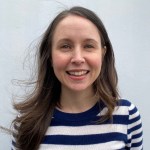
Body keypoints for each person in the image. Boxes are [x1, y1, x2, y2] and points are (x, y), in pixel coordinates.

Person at [11, 6, 143, 150]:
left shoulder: (127, 115)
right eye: (66, 46)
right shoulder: (26, 123)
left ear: (103, 53)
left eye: (89, 46)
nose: (78, 59)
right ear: (50, 55)